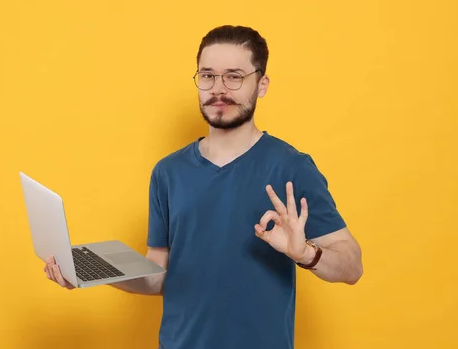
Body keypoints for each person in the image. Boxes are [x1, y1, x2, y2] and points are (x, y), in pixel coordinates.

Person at [44, 25, 363, 349]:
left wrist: (305, 253)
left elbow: (352, 264)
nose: (218, 89)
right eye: (208, 76)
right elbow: (157, 275)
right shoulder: (167, 172)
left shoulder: (291, 167)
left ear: (262, 84)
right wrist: (89, 271)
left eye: (234, 76)